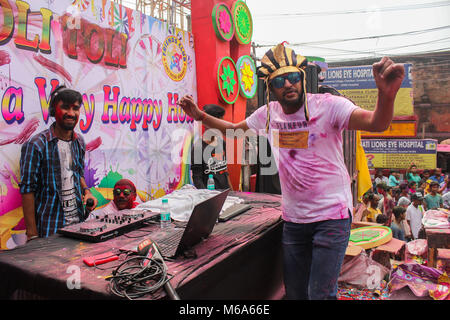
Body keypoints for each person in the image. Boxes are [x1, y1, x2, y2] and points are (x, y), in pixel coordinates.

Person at [177, 43, 405, 300]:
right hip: (295, 221)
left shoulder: (329, 106)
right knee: (295, 293)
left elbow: (377, 122)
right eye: (280, 80)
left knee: (320, 294)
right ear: (271, 88)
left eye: (293, 77)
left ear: (302, 79)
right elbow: (233, 130)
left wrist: (387, 96)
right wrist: (199, 116)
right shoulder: (268, 114)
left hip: (332, 216)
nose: (288, 84)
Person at [19, 85, 98, 240]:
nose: (71, 113)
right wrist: (32, 235)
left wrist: (87, 192)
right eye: (65, 107)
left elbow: (78, 173)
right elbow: (27, 191)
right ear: (54, 111)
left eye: (75, 108)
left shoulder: (79, 141)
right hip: (51, 229)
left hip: (78, 225)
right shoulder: (36, 145)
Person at [190, 104, 233, 190]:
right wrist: (207, 198)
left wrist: (232, 191)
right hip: (211, 197)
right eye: (219, 124)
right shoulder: (199, 148)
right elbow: (197, 179)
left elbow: (225, 171)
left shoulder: (222, 143)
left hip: (226, 195)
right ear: (209, 123)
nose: (221, 127)